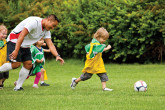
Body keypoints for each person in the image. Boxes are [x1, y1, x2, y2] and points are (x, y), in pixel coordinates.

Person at [0, 14, 64, 91]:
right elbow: (21, 36)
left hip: (25, 45)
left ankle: (18, 87)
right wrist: (16, 50)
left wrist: (57, 55)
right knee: (16, 64)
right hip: (14, 40)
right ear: (49, 20)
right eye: (53, 25)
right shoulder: (34, 22)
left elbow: (50, 44)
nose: (53, 28)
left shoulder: (46, 31)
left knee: (28, 64)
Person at [0, 24, 9, 89]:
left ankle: (2, 82)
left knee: (6, 75)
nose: (4, 35)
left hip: (5, 61)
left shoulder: (6, 42)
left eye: (5, 34)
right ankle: (0, 85)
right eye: (3, 33)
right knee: (0, 75)